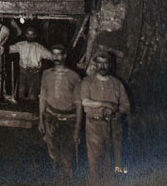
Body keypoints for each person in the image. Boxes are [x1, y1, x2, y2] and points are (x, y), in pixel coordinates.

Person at [80, 51, 130, 186]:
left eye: (105, 63)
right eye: (99, 63)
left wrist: (115, 111)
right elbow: (85, 102)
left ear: (110, 65)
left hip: (113, 127)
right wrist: (105, 104)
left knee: (113, 162)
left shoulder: (117, 83)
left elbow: (126, 105)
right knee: (94, 163)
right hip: (94, 125)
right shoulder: (87, 81)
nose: (102, 66)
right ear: (95, 65)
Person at [39, 44, 82, 181]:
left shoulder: (74, 76)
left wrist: (77, 128)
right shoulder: (46, 74)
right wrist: (41, 120)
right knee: (53, 154)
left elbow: (79, 104)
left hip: (68, 120)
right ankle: (55, 180)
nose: (56, 57)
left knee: (66, 156)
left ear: (64, 56)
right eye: (54, 54)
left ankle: (67, 181)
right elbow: (43, 99)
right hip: (50, 119)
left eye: (59, 54)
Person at [9, 26, 52, 100]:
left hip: (34, 73)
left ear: (35, 35)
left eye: (32, 34)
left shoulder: (39, 48)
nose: (30, 36)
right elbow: (10, 49)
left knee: (32, 96)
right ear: (25, 35)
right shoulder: (21, 45)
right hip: (23, 71)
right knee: (20, 93)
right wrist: (3, 48)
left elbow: (51, 56)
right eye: (28, 34)